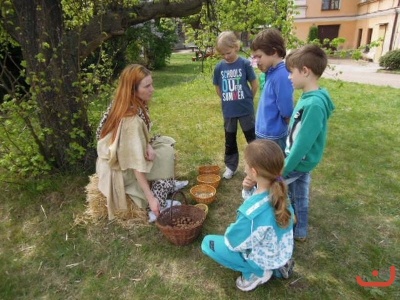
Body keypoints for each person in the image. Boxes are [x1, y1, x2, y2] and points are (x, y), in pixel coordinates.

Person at [95, 64, 187, 220]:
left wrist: (148, 145)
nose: (152, 89)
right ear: (133, 89)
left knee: (165, 142)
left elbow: (135, 140)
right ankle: (158, 204)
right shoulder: (130, 119)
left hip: (121, 156)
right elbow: (136, 164)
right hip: (119, 168)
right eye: (147, 86)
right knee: (165, 156)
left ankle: (169, 184)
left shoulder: (128, 102)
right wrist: (151, 199)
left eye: (151, 84)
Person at [201, 139, 294, 292]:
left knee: (208, 243)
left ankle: (256, 273)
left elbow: (232, 242)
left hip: (264, 259)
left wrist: (231, 228)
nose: (244, 169)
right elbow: (261, 206)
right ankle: (279, 266)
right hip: (281, 252)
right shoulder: (281, 193)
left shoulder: (251, 214)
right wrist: (247, 190)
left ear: (254, 172)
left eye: (245, 164)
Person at [283, 44, 336, 242]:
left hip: (298, 161)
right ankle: (300, 229)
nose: (289, 77)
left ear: (305, 71)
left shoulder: (314, 104)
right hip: (301, 161)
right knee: (300, 194)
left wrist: (284, 169)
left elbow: (303, 143)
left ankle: (294, 226)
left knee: (279, 188)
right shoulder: (308, 97)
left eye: (291, 72)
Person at [213, 31, 258, 180]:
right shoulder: (219, 68)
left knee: (252, 138)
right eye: (223, 54)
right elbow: (218, 88)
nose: (226, 56)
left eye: (229, 52)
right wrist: (228, 100)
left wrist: (248, 98)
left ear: (236, 47)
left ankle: (256, 165)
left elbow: (254, 83)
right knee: (230, 139)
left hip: (245, 109)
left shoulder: (245, 63)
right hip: (229, 111)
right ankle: (231, 166)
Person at [250, 28, 294, 152]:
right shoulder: (272, 71)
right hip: (265, 132)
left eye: (259, 57)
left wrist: (288, 121)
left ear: (274, 52)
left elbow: (286, 107)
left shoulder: (281, 75)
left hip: (273, 135)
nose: (256, 62)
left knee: (272, 169)